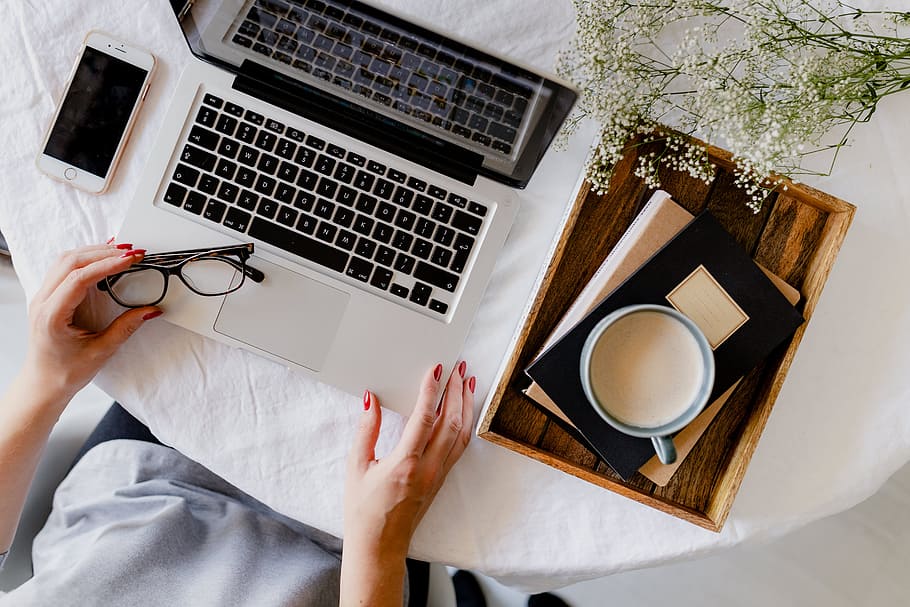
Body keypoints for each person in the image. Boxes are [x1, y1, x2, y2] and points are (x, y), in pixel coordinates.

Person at [0, 243, 477, 606]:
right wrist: (381, 553)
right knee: (444, 360)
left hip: (140, 484)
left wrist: (46, 377)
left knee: (249, 259)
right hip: (345, 562)